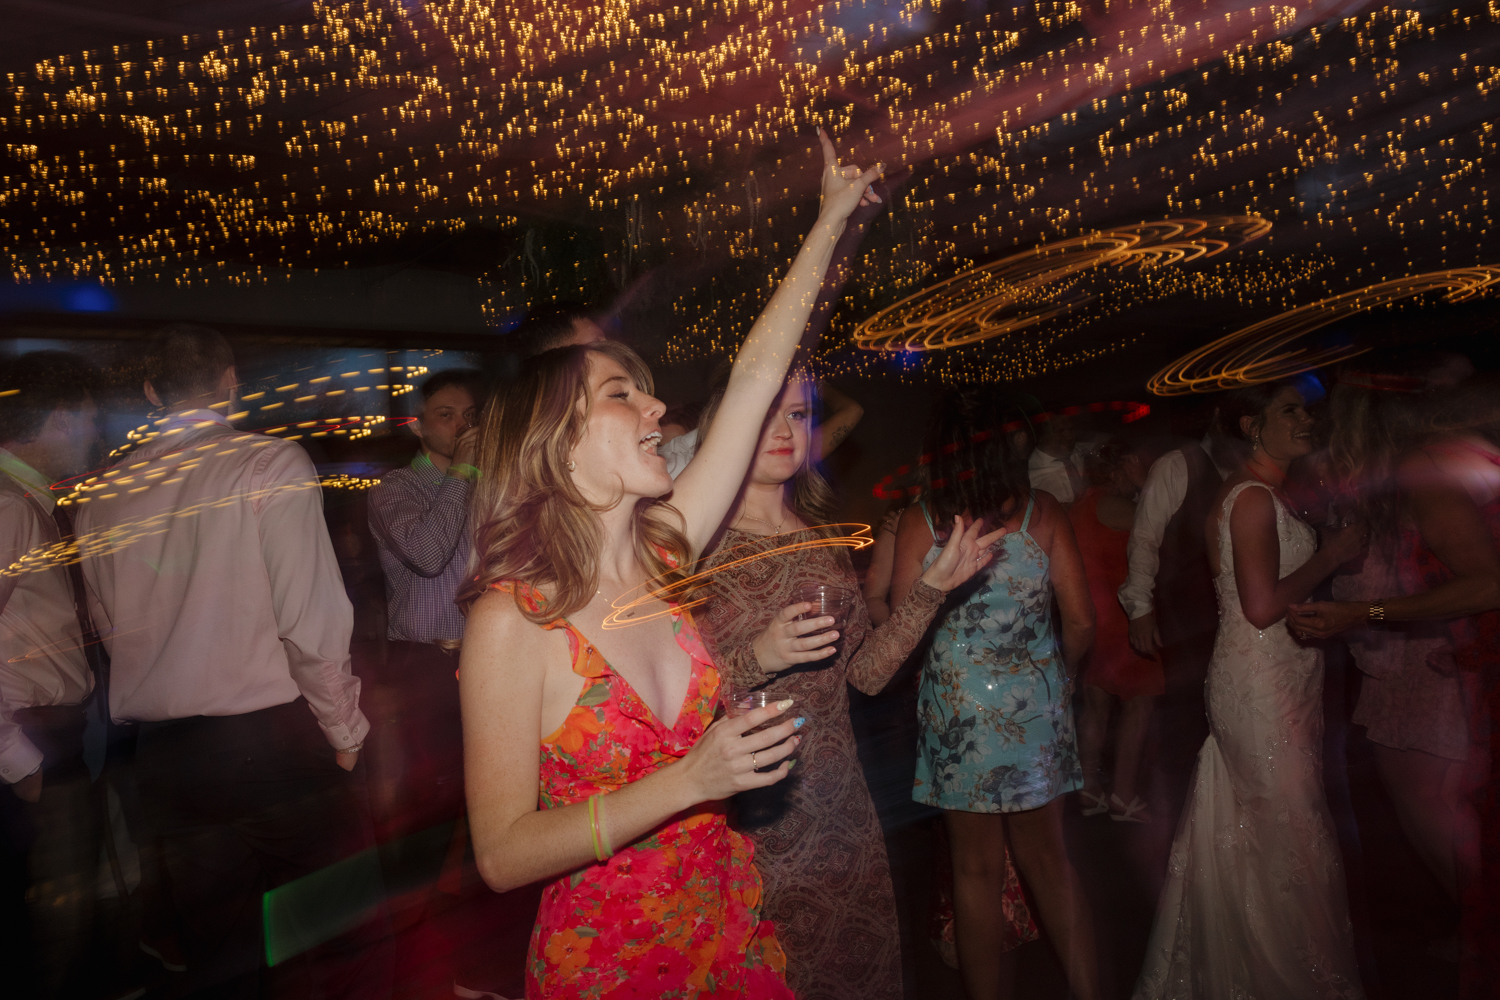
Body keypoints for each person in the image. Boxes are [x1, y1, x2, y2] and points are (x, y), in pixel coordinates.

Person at [455, 133, 882, 999]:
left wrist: (830, 217)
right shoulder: (513, 621)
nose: (656, 406)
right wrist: (690, 781)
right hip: (614, 958)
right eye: (622, 392)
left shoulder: (664, 552)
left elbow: (759, 376)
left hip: (727, 924)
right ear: (559, 435)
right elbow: (502, 854)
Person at [75, 325, 389, 999]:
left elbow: (109, 631)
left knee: (220, 953)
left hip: (166, 755)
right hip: (270, 738)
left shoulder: (101, 492)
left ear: (152, 392)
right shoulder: (267, 463)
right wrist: (343, 730)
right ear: (230, 382)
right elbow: (309, 614)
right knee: (344, 934)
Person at [691, 371, 1006, 1000]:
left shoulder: (822, 542)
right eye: (766, 415)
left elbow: (865, 673)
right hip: (754, 814)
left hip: (841, 801)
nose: (785, 430)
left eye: (800, 415)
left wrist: (933, 588)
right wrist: (759, 655)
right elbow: (673, 702)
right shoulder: (696, 549)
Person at [1133, 379, 1367, 1000]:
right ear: (1250, 426)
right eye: (1289, 409)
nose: (1306, 419)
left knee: (1272, 831)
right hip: (1258, 684)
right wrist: (1333, 554)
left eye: (1307, 408)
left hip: (1283, 680)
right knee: (1291, 833)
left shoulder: (1272, 496)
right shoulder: (1252, 499)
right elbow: (1261, 606)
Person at [1289, 369, 1500, 994]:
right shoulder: (1464, 451)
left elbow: (1488, 582)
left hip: (1466, 665)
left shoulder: (1423, 466)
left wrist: (1362, 614)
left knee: (1446, 818)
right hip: (1464, 660)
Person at [891, 389, 1100, 1000]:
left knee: (975, 873)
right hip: (1033, 710)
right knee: (1052, 866)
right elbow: (1083, 622)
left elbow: (903, 632)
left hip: (959, 717)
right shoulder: (1045, 513)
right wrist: (1057, 682)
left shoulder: (923, 521)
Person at [0, 350, 104, 997]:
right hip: (32, 742)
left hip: (47, 737)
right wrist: (21, 761)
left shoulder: (27, 502)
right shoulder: (9, 506)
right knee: (47, 938)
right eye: (89, 420)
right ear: (60, 418)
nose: (95, 436)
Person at [366, 368, 487, 831]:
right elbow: (428, 555)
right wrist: (462, 471)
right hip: (424, 665)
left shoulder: (485, 485)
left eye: (469, 415)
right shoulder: (394, 489)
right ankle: (417, 896)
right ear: (417, 426)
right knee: (430, 798)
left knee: (483, 786)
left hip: (484, 654)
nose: (462, 426)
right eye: (446, 415)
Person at [1070, 437, 1162, 824]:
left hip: (1095, 618)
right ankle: (1123, 794)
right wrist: (1146, 488)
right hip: (1123, 620)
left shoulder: (1080, 506)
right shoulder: (1117, 506)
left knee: (1095, 706)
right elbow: (1164, 531)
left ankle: (1089, 788)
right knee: (1139, 703)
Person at [660, 379, 864, 479]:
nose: (672, 459)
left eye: (685, 449)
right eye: (662, 450)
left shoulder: (769, 462)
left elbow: (851, 411)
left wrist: (812, 384)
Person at [1027, 410, 1088, 507]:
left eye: (1071, 429)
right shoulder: (1028, 475)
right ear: (1043, 434)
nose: (1069, 436)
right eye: (1060, 430)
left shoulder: (1081, 452)